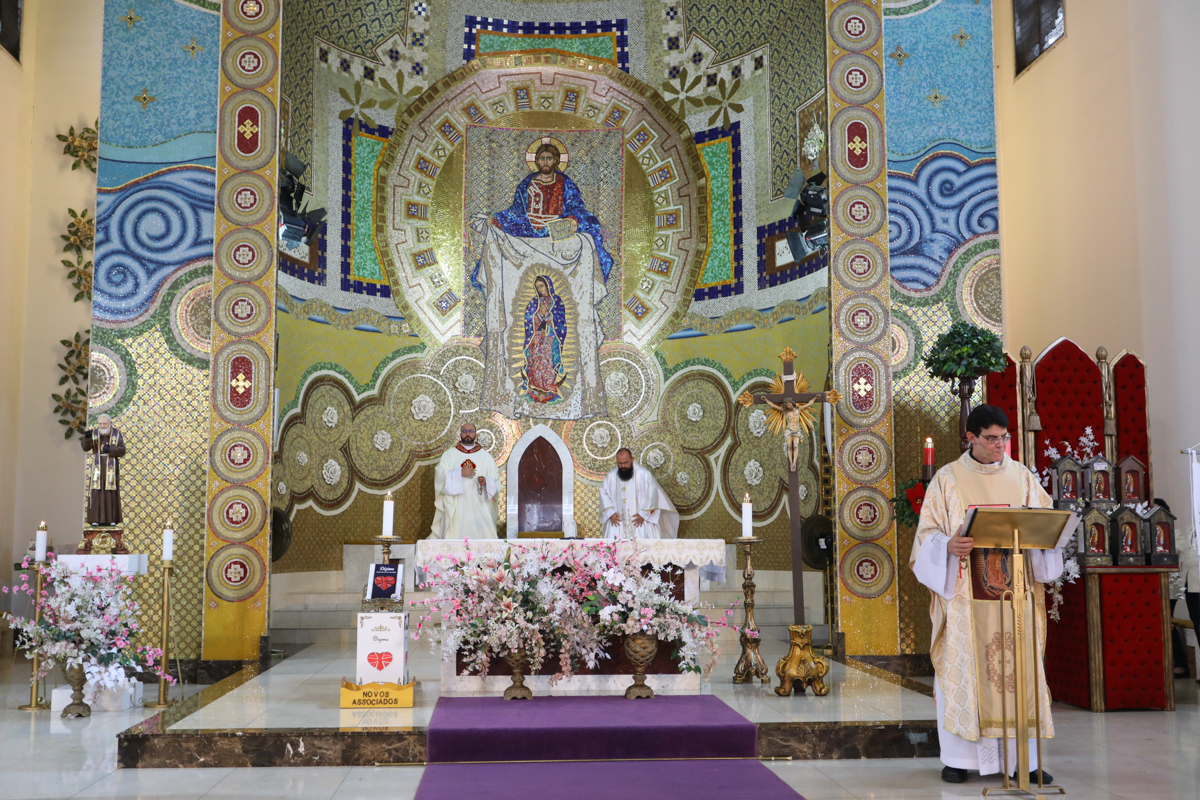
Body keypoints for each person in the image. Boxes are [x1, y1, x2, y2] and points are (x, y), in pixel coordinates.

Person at [909, 405, 1061, 785]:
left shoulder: (1022, 477)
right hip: (965, 598)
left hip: (1015, 597)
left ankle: (1024, 762)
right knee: (965, 673)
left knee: (1018, 674)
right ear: (971, 437)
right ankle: (958, 760)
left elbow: (1046, 526)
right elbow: (926, 536)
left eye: (1004, 438)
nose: (999, 445)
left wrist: (1046, 537)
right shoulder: (947, 479)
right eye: (991, 438)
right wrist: (948, 545)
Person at [468, 140, 610, 420]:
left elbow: (578, 210)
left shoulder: (566, 184)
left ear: (556, 161)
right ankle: (527, 388)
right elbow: (516, 213)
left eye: (549, 159)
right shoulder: (528, 184)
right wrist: (497, 220)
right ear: (537, 161)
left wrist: (570, 221)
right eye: (541, 159)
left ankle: (556, 387)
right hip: (530, 230)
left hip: (556, 230)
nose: (545, 163)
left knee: (583, 240)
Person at [430, 423, 500, 540]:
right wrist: (459, 473)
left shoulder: (485, 456)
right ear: (460, 434)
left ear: (475, 434)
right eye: (465, 431)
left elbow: (495, 476)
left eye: (471, 431)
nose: (468, 434)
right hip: (456, 504)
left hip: (479, 503)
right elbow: (440, 474)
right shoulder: (449, 454)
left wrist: (486, 481)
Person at [599, 448, 679, 540]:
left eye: (626, 463)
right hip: (618, 522)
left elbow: (653, 495)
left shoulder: (644, 474)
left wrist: (644, 514)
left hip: (640, 521)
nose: (623, 466)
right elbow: (603, 492)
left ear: (632, 459)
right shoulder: (611, 475)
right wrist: (610, 512)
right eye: (620, 463)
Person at [522, 275, 568, 403]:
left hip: (551, 337)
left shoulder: (556, 301)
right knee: (536, 359)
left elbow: (560, 319)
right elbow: (529, 319)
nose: (540, 289)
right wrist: (539, 316)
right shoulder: (534, 302)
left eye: (542, 286)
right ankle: (536, 383)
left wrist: (547, 315)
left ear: (548, 286)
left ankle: (548, 384)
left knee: (548, 360)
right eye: (538, 287)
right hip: (538, 336)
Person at [81, 414, 126, 526]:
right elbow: (86, 447)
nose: (102, 426)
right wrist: (87, 437)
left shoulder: (116, 434)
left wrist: (110, 449)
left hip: (111, 468)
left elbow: (122, 450)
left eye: (105, 423)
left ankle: (112, 519)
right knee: (96, 492)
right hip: (98, 467)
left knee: (110, 493)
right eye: (100, 423)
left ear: (110, 423)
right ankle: (95, 519)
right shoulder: (94, 434)